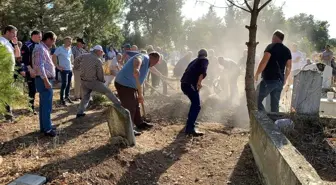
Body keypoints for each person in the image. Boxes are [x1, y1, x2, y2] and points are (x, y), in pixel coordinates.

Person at [114, 52, 162, 136]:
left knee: (136, 104)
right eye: (156, 61)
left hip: (130, 86)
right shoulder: (145, 57)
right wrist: (137, 68)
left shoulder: (148, 64)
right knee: (130, 107)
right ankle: (128, 129)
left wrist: (140, 94)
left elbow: (151, 71)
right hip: (124, 84)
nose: (155, 64)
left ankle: (139, 123)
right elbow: (138, 60)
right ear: (153, 58)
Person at [75, 45, 121, 118]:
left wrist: (77, 67)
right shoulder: (97, 60)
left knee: (85, 97)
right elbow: (100, 74)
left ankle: (79, 113)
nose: (102, 53)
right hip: (92, 81)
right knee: (108, 91)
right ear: (98, 51)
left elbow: (76, 59)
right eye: (101, 52)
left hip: (83, 81)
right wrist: (102, 81)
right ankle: (120, 106)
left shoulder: (84, 55)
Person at [254, 30, 292, 112]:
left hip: (269, 79)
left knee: (255, 98)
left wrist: (257, 73)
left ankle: (263, 119)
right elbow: (289, 67)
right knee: (275, 105)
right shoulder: (287, 50)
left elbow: (264, 62)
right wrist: (285, 79)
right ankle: (274, 123)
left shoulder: (271, 47)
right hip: (280, 81)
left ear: (274, 37)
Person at [33, 31, 57, 137]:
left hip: (44, 79)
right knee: (46, 105)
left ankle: (45, 126)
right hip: (44, 80)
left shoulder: (43, 48)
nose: (53, 43)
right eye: (53, 41)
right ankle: (47, 129)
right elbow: (40, 66)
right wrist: (46, 81)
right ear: (48, 39)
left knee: (44, 105)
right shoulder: (40, 49)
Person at [180, 49, 209, 137]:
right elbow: (202, 72)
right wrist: (199, 83)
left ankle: (191, 122)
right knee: (196, 105)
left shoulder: (194, 60)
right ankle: (190, 128)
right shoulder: (204, 60)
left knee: (194, 103)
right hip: (189, 84)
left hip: (184, 84)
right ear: (205, 55)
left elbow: (188, 71)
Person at [0, 25, 21, 122]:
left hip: (9, 72)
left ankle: (8, 115)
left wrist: (16, 44)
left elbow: (17, 56)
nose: (15, 35)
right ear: (7, 32)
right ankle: (7, 115)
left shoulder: (8, 43)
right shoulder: (1, 41)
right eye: (13, 33)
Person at [21, 30, 42, 114]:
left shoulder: (39, 45)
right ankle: (30, 108)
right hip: (30, 71)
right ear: (34, 36)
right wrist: (30, 70)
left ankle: (34, 106)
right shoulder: (26, 45)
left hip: (38, 71)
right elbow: (24, 60)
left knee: (36, 89)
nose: (40, 38)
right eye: (39, 36)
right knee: (32, 90)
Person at [52, 36, 74, 106]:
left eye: (71, 41)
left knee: (69, 84)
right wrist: (57, 66)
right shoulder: (60, 49)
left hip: (69, 69)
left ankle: (67, 97)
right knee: (64, 84)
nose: (70, 43)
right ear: (65, 41)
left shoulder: (70, 49)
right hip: (63, 69)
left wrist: (72, 65)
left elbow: (70, 57)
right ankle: (62, 99)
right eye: (69, 41)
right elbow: (54, 56)